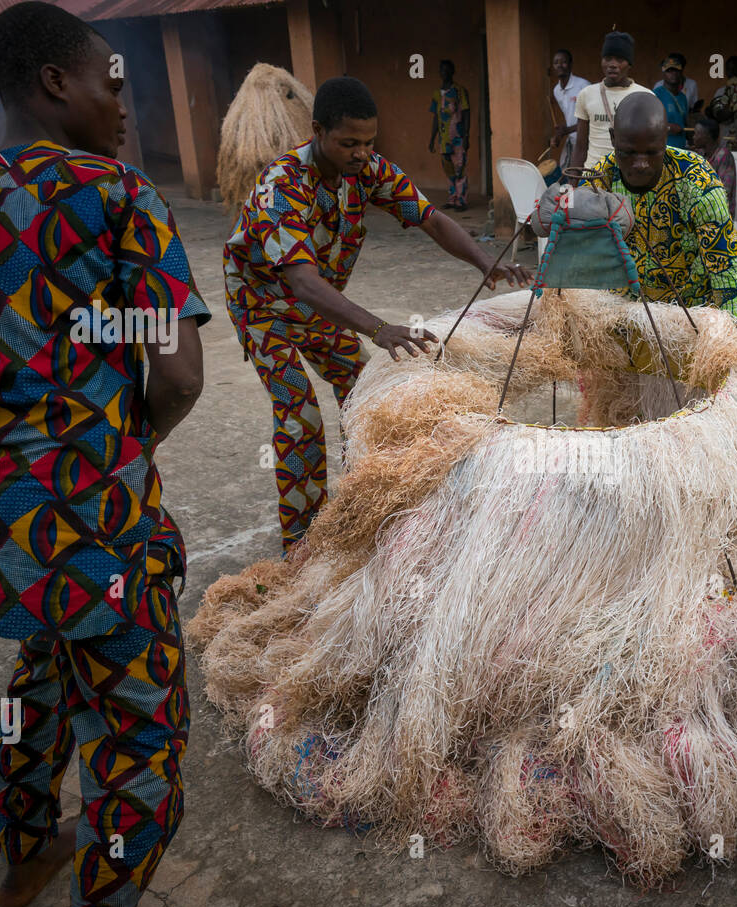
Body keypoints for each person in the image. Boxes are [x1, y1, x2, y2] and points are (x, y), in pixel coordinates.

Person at [0, 1, 210, 907]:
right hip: (101, 538)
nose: (126, 108)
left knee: (44, 667)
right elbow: (178, 375)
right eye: (112, 84)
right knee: (141, 751)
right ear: (55, 84)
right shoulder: (118, 197)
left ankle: (26, 850)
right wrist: (115, 457)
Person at [224, 77, 530, 556]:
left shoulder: (367, 171)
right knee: (300, 416)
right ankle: (301, 546)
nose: (361, 153)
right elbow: (302, 281)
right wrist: (378, 328)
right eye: (348, 143)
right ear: (318, 130)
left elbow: (430, 217)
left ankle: (359, 507)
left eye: (368, 143)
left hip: (320, 305)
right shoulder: (280, 185)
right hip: (265, 309)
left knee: (366, 398)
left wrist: (484, 261)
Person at [591, 93, 737, 400]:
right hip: (633, 320)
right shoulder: (601, 179)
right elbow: (581, 254)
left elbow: (730, 277)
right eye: (628, 153)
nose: (640, 165)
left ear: (668, 140)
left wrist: (731, 350)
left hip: (692, 320)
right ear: (613, 139)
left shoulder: (698, 184)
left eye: (652, 153)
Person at [571, 30, 652, 172]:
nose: (613, 64)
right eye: (608, 58)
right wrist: (572, 184)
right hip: (593, 176)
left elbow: (652, 146)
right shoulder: (586, 94)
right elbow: (580, 146)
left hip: (629, 177)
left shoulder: (645, 96)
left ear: (629, 64)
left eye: (620, 59)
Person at [428, 59, 470, 210]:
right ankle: (452, 199)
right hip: (443, 140)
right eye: (442, 70)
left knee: (460, 169)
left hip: (457, 139)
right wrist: (432, 139)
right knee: (449, 171)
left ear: (452, 72)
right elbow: (435, 117)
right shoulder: (436, 94)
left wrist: (466, 136)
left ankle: (461, 201)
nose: (444, 73)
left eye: (447, 70)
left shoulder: (459, 91)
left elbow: (466, 112)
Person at [550, 49, 589, 170]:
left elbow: (590, 119)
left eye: (564, 62)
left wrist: (566, 130)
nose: (560, 65)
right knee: (567, 171)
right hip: (572, 139)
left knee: (584, 173)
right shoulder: (556, 90)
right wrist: (560, 133)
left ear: (571, 64)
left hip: (587, 140)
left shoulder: (584, 86)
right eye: (556, 62)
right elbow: (570, 117)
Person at [691, 116, 735, 207]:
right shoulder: (701, 154)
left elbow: (725, 190)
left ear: (707, 137)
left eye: (696, 134)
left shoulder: (724, 156)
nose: (693, 137)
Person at [654, 54, 691, 150]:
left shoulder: (683, 97)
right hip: (662, 149)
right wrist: (669, 127)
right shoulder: (656, 94)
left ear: (681, 72)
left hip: (680, 149)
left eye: (676, 70)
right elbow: (648, 123)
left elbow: (685, 122)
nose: (673, 73)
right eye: (669, 71)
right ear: (663, 73)